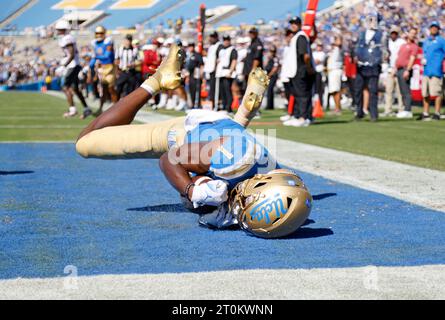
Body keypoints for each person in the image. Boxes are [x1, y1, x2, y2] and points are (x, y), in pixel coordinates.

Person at [75, 44, 312, 239]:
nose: (241, 210)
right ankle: (157, 79)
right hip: (187, 132)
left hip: (227, 135)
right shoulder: (232, 163)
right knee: (85, 143)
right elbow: (170, 160)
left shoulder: (275, 173)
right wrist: (191, 189)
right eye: (247, 206)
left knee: (212, 187)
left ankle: (242, 116)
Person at [55, 20, 92, 119]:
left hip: (72, 66)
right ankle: (86, 109)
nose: (57, 31)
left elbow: (71, 54)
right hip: (74, 65)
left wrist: (64, 65)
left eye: (59, 29)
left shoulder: (67, 38)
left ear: (62, 29)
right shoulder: (66, 38)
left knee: (65, 87)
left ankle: (72, 110)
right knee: (75, 89)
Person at [284, 16, 316, 127]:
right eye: (292, 23)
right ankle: (299, 116)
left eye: (295, 23)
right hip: (296, 71)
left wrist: (308, 68)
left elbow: (305, 56)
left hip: (301, 70)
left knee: (302, 95)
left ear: (299, 24)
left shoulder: (301, 37)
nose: (293, 25)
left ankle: (304, 117)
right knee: (298, 95)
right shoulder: (296, 37)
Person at [354, 11, 385, 122]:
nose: (371, 22)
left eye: (373, 19)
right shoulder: (361, 33)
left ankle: (373, 114)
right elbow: (356, 47)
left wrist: (379, 61)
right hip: (360, 66)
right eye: (369, 19)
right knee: (358, 90)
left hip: (373, 66)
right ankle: (359, 112)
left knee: (373, 90)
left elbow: (383, 50)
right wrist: (355, 57)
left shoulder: (381, 34)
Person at [418, 21, 445, 121]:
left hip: (436, 70)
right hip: (426, 70)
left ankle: (437, 113)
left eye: (435, 27)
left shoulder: (441, 41)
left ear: (438, 29)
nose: (434, 29)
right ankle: (425, 113)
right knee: (425, 93)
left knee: (437, 93)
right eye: (432, 27)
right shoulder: (426, 41)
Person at [90, 26, 118, 115]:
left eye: (101, 33)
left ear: (104, 33)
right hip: (101, 69)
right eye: (97, 33)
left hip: (110, 68)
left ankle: (116, 108)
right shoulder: (95, 43)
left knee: (111, 89)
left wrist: (95, 57)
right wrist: (91, 67)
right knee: (104, 90)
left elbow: (107, 56)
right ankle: (101, 108)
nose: (99, 35)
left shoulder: (108, 42)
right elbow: (94, 59)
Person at [395, 28, 419, 119]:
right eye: (411, 33)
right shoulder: (403, 45)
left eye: (414, 33)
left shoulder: (414, 46)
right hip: (399, 69)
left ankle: (408, 110)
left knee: (406, 91)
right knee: (402, 91)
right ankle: (405, 109)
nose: (412, 35)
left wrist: (407, 70)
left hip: (405, 69)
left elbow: (412, 59)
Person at [383, 26, 405, 117]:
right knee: (389, 90)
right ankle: (388, 109)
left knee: (400, 91)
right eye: (392, 33)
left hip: (399, 68)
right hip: (390, 68)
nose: (393, 35)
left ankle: (401, 109)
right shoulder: (387, 42)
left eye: (395, 33)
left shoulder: (401, 42)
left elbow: (402, 56)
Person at [215, 35, 237, 113]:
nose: (226, 41)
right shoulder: (221, 49)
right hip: (220, 72)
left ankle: (229, 108)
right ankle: (224, 106)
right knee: (222, 90)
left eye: (227, 40)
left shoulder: (232, 49)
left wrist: (230, 71)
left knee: (227, 90)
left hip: (227, 71)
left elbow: (234, 61)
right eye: (224, 40)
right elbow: (218, 59)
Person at [115, 34, 139, 99]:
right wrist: (117, 72)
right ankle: (116, 103)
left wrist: (133, 64)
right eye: (127, 40)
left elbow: (138, 61)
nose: (128, 42)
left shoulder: (134, 50)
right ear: (124, 41)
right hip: (122, 71)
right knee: (118, 88)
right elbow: (116, 61)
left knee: (130, 90)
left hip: (131, 72)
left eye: (129, 40)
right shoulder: (120, 49)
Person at [203, 32, 222, 110]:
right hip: (210, 70)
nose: (211, 39)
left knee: (216, 89)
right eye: (211, 37)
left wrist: (216, 68)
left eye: (213, 37)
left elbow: (219, 59)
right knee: (211, 89)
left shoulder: (219, 46)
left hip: (215, 71)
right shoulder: (211, 46)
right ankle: (212, 104)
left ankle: (216, 105)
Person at [327, 35, 344, 114]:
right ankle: (336, 108)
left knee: (336, 90)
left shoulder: (339, 49)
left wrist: (338, 40)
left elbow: (340, 44)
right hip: (331, 72)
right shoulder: (333, 50)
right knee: (333, 90)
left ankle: (338, 108)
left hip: (336, 70)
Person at [185, 42, 204, 109]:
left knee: (197, 90)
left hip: (196, 74)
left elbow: (201, 64)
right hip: (190, 75)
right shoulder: (188, 55)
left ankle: (198, 105)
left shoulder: (197, 55)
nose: (190, 48)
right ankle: (192, 105)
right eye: (189, 46)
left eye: (191, 46)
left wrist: (201, 74)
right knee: (191, 90)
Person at [264, 45, 280, 110]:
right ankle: (269, 105)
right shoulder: (269, 58)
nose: (272, 52)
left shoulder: (275, 58)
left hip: (272, 76)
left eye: (273, 51)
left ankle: (269, 106)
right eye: (271, 51)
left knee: (270, 90)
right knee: (269, 90)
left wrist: (269, 75)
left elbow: (275, 68)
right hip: (269, 75)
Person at [312, 42, 326, 109]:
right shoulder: (314, 53)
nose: (319, 47)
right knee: (314, 89)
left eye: (320, 46)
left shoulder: (322, 54)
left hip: (319, 72)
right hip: (313, 72)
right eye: (318, 46)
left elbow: (317, 61)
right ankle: (314, 103)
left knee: (319, 89)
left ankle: (320, 104)